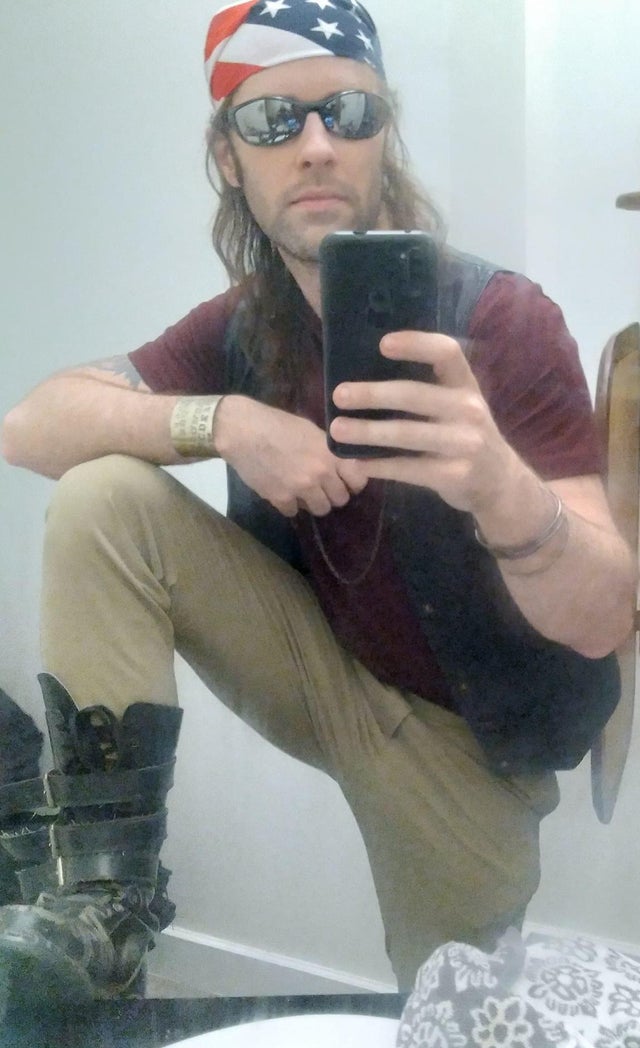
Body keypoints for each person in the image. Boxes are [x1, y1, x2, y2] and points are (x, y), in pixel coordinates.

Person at [0, 0, 635, 1004]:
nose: (315, 146)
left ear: (385, 135)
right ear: (228, 156)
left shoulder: (504, 322)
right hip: (316, 663)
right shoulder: (242, 327)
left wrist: (503, 491)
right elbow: (30, 426)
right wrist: (224, 422)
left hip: (466, 748)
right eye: (271, 120)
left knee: (452, 1007)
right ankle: (105, 906)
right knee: (105, 495)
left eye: (348, 111)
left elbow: (604, 619)